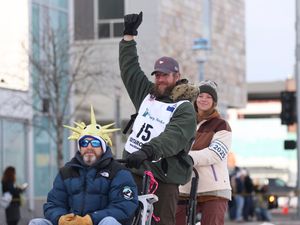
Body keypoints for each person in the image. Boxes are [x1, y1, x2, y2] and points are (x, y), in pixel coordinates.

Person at [119, 11, 198, 225]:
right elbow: (130, 71)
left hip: (163, 176)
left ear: (177, 77)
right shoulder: (148, 95)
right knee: (120, 216)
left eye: (165, 75)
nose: (160, 79)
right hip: (134, 169)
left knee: (161, 222)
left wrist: (148, 150)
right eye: (158, 75)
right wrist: (128, 36)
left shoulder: (184, 109)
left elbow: (173, 138)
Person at [28, 106, 139, 225]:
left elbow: (125, 207)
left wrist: (91, 219)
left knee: (109, 222)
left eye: (95, 143)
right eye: (84, 142)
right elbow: (53, 204)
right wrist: (60, 219)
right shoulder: (66, 172)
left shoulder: (119, 172)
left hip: (99, 223)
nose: (89, 147)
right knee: (37, 223)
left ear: (103, 147)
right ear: (80, 147)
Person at [176, 80, 232, 225]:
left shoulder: (221, 125)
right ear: (195, 99)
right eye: (201, 96)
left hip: (214, 189)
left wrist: (187, 157)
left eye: (209, 97)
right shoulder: (184, 122)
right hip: (184, 187)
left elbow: (215, 153)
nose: (204, 99)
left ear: (214, 101)